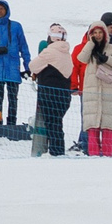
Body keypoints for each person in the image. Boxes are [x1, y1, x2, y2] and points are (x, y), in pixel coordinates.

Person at [75, 20, 112, 158]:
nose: (97, 35)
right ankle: (93, 155)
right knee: (92, 126)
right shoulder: (88, 48)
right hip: (91, 90)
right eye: (94, 33)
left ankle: (108, 154)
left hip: (108, 91)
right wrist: (90, 43)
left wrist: (107, 59)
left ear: (104, 34)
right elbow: (81, 58)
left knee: (107, 126)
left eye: (100, 32)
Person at [29, 24, 78, 157]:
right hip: (64, 96)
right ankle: (58, 150)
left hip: (49, 95)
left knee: (52, 124)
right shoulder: (67, 53)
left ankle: (56, 152)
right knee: (57, 123)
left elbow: (32, 65)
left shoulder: (49, 52)